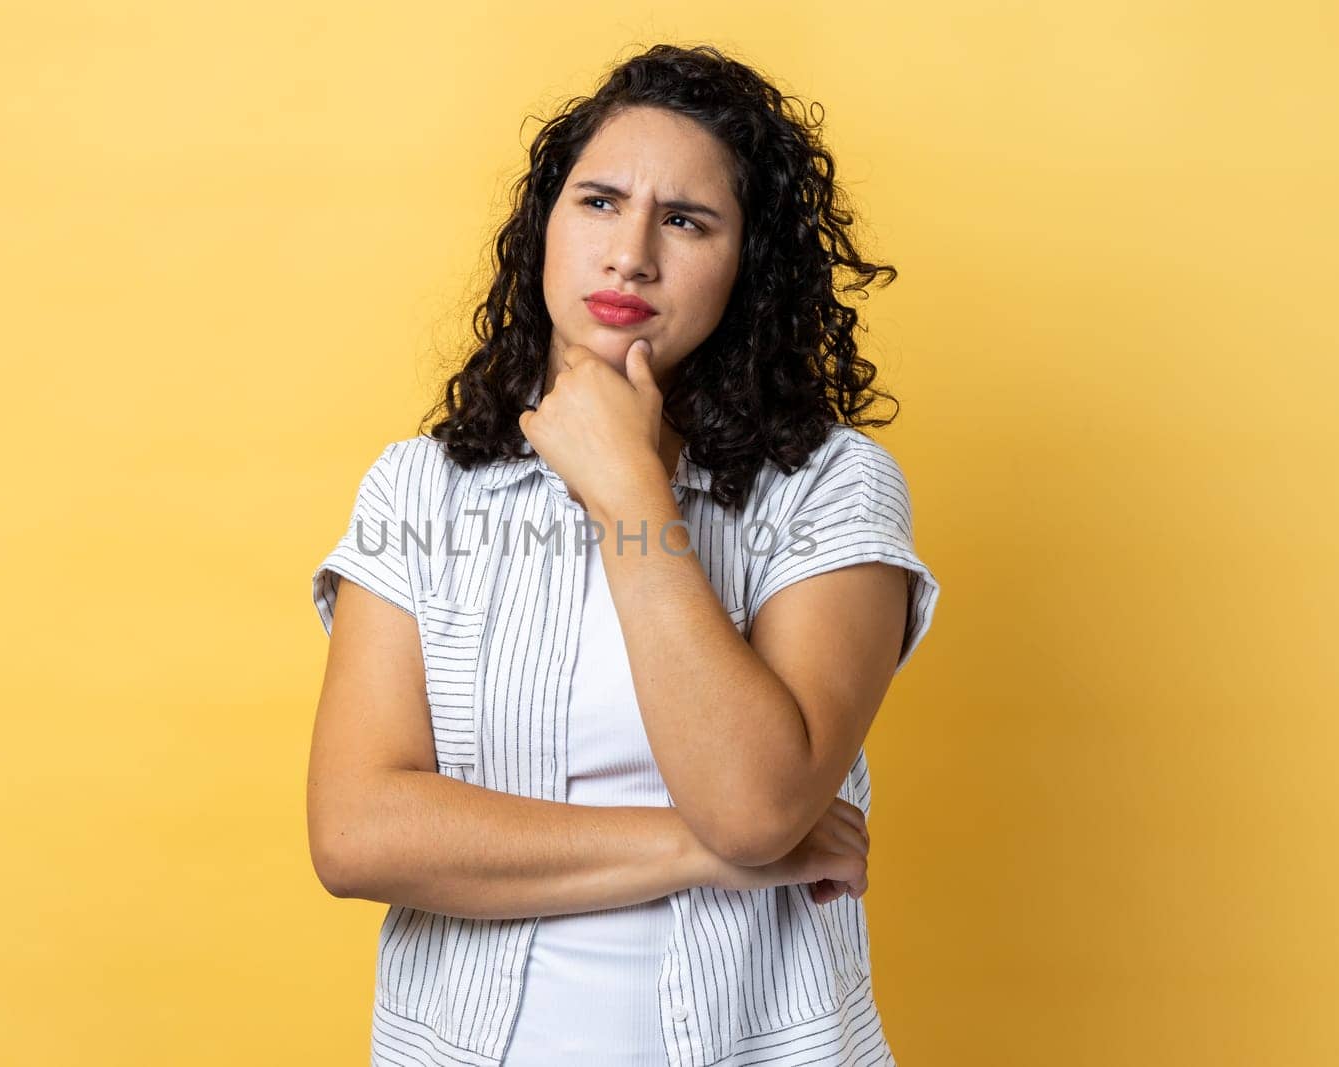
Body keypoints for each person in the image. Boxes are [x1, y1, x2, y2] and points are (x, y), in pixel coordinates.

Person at [307, 43, 939, 1067]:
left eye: (685, 220)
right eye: (598, 202)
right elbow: (355, 834)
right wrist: (698, 853)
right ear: (543, 231)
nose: (630, 252)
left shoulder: (829, 486)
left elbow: (753, 802)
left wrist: (629, 493)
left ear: (748, 266)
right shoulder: (420, 486)